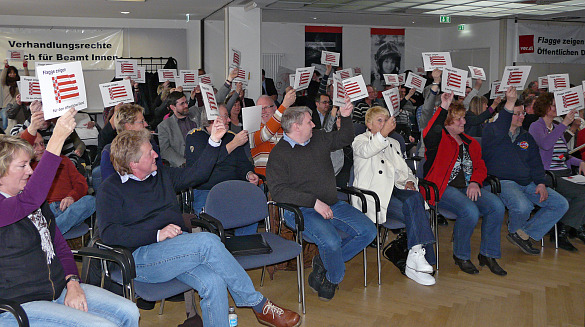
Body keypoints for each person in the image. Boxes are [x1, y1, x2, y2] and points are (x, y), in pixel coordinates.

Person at [97, 127, 301, 327]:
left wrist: (213, 142)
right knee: (207, 241)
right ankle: (257, 303)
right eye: (149, 152)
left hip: (176, 250)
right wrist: (157, 234)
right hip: (141, 259)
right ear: (133, 164)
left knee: (214, 282)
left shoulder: (161, 175)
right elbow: (109, 234)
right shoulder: (111, 189)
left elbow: (197, 173)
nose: (155, 155)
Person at [0, 109, 139, 327]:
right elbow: (29, 200)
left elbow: (60, 246)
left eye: (30, 164)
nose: (30, 171)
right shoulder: (13, 204)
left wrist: (73, 282)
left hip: (59, 288)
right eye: (22, 166)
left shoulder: (35, 203)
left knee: (128, 311)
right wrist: (57, 138)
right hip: (20, 305)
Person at [266, 99, 377, 301]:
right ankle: (333, 279)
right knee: (332, 242)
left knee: (369, 231)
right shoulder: (279, 154)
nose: (314, 125)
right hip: (300, 211)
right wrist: (313, 202)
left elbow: (345, 138)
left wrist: (345, 115)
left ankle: (323, 264)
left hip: (332, 204)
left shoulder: (318, 138)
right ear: (296, 126)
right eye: (310, 122)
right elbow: (279, 192)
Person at [423, 91, 506, 276]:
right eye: (459, 119)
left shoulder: (471, 143)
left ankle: (488, 254)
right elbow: (430, 131)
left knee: (497, 206)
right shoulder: (438, 140)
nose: (464, 122)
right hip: (442, 189)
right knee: (470, 211)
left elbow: (481, 167)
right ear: (447, 122)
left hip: (468, 188)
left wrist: (476, 182)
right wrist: (444, 107)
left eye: (463, 118)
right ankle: (461, 256)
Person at [353, 106, 436, 285]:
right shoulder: (360, 141)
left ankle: (415, 256)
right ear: (368, 124)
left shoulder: (394, 143)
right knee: (420, 210)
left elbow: (404, 170)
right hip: (375, 197)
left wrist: (409, 181)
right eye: (379, 121)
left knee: (416, 199)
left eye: (386, 120)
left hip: (397, 191)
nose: (384, 124)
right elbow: (368, 151)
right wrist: (382, 134)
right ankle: (420, 262)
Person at [482, 87, 568, 255]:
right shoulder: (492, 132)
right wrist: (510, 102)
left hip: (527, 182)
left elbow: (536, 164)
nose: (522, 116)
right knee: (523, 206)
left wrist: (541, 183)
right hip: (502, 181)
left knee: (560, 204)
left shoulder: (526, 137)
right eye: (517, 113)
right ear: (506, 115)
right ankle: (518, 233)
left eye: (523, 113)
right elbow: (500, 128)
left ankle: (522, 234)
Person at [20, 112, 96, 235]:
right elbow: (20, 146)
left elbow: (81, 183)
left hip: (67, 209)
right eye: (34, 146)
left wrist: (72, 196)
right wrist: (32, 126)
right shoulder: (25, 168)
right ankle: (53, 232)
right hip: (42, 211)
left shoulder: (63, 160)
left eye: (41, 144)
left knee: (91, 201)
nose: (40, 148)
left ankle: (47, 233)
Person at [529, 92, 585, 250]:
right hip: (548, 175)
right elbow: (546, 145)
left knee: (581, 191)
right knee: (581, 193)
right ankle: (562, 231)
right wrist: (564, 124)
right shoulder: (536, 126)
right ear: (544, 106)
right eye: (552, 105)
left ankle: (573, 226)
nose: (555, 108)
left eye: (556, 105)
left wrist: (579, 162)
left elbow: (562, 154)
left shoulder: (554, 126)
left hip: (563, 172)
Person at [184, 104, 259, 223]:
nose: (229, 119)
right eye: (225, 116)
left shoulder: (231, 136)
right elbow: (204, 165)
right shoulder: (195, 136)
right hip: (207, 190)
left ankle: (241, 241)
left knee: (252, 212)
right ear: (213, 119)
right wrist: (234, 144)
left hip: (233, 189)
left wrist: (249, 174)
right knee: (213, 221)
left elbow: (243, 163)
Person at [100, 103, 159, 182]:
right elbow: (109, 186)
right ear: (129, 126)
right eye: (142, 121)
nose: (146, 124)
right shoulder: (109, 152)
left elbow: (160, 174)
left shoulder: (151, 144)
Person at [249, 89, 296, 176]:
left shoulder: (285, 128)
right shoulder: (252, 129)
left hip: (286, 178)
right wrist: (284, 105)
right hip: (265, 182)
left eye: (266, 107)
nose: (263, 112)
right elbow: (267, 132)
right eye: (260, 109)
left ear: (275, 108)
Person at [2, 59, 30, 131]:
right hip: (6, 107)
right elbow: (2, 77)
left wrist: (25, 66)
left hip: (19, 107)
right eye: (10, 73)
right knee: (6, 124)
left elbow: (27, 78)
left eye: (14, 73)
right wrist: (5, 66)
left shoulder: (19, 84)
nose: (12, 74)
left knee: (22, 125)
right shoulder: (5, 85)